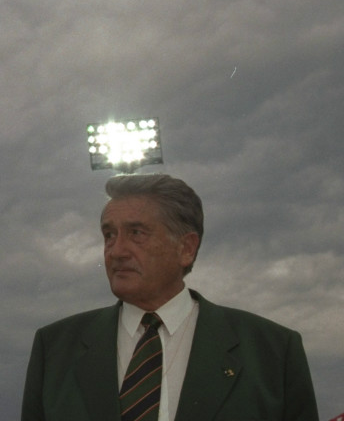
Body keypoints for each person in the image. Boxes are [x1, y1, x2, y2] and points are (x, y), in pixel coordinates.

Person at [21, 174, 318, 421]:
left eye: (136, 233)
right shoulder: (56, 349)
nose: (116, 250)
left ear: (186, 248)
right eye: (109, 235)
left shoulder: (272, 352)